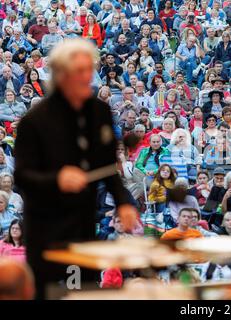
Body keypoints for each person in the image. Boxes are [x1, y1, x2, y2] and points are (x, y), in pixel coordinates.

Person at [13, 40, 138, 299]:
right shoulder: (34, 121)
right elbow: (22, 177)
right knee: (47, 292)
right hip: (45, 225)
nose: (87, 76)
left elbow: (107, 168)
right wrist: (57, 179)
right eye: (79, 71)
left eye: (89, 69)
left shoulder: (100, 111)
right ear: (61, 75)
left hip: (82, 221)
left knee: (83, 290)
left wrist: (124, 202)